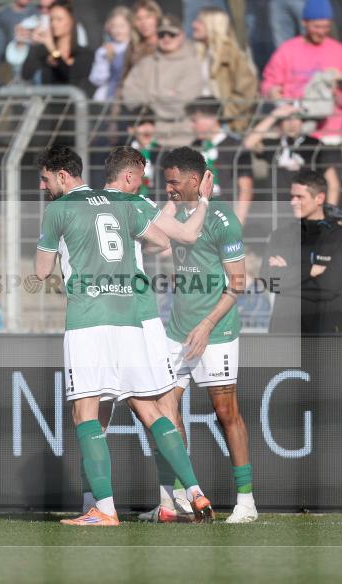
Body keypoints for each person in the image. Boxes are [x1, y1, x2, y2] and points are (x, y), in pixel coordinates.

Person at [33, 144, 215, 526]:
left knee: (86, 411)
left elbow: (43, 270)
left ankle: (104, 508)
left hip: (89, 319)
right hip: (132, 317)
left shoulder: (60, 209)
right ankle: (195, 490)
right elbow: (165, 241)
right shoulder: (124, 203)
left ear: (63, 176)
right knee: (150, 408)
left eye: (46, 178)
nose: (42, 185)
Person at [151, 146, 256, 523]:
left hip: (217, 330)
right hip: (177, 329)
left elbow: (239, 282)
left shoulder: (224, 220)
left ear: (195, 180)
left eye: (175, 182)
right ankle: (173, 499)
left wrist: (208, 324)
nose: (169, 189)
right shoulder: (173, 212)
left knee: (226, 411)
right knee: (165, 409)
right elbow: (162, 232)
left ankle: (246, 502)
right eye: (166, 183)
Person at [261, 0, 342, 144]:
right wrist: (272, 92)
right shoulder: (287, 50)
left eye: (326, 27)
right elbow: (269, 82)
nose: (321, 32)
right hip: (293, 127)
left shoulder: (341, 52)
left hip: (330, 131)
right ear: (304, 23)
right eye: (316, 26)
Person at [264, 168, 342, 333]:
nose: (293, 202)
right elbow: (268, 280)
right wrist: (310, 270)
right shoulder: (280, 236)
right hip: (284, 332)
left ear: (319, 198)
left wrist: (287, 276)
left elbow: (330, 286)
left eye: (299, 197)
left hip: (323, 332)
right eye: (292, 196)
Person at [122, 14, 204, 147]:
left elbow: (182, 104)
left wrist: (149, 99)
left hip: (182, 139)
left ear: (181, 35)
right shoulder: (145, 63)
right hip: (148, 139)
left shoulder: (192, 64)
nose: (166, 38)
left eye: (171, 34)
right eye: (161, 34)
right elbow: (129, 95)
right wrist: (164, 96)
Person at [244, 101, 341, 205]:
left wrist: (330, 214)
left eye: (296, 118)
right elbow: (248, 143)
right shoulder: (273, 144)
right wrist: (274, 115)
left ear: (302, 121)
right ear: (280, 122)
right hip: (278, 209)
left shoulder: (314, 145)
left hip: (306, 210)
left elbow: (333, 183)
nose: (292, 124)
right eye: (287, 119)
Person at [186, 98, 254, 224]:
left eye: (195, 120)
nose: (192, 126)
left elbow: (245, 188)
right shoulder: (194, 146)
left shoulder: (235, 146)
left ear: (211, 118)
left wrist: (238, 222)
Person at [191, 7, 258, 134]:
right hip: (198, 120)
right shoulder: (198, 53)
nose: (193, 25)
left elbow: (247, 92)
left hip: (226, 125)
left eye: (199, 22)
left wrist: (221, 114)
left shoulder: (233, 56)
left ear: (212, 26)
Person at [21, 0, 94, 93]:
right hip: (48, 104)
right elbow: (26, 75)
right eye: (51, 19)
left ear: (71, 21)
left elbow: (70, 78)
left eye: (59, 19)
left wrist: (54, 51)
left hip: (71, 106)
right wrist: (34, 45)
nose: (53, 24)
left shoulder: (84, 53)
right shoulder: (43, 50)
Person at [88, 6, 132, 101]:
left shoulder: (135, 47)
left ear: (130, 26)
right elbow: (96, 79)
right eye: (114, 26)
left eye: (122, 26)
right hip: (107, 98)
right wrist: (106, 59)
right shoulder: (103, 51)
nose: (117, 30)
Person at [119, 0, 161, 85]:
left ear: (156, 18)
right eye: (139, 19)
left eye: (148, 17)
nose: (144, 23)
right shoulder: (133, 46)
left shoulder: (167, 42)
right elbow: (125, 77)